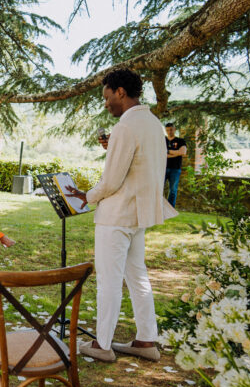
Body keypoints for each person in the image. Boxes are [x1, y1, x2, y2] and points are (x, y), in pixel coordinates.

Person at [66, 69, 178, 363]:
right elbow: (142, 165)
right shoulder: (153, 124)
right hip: (138, 215)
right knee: (137, 276)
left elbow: (112, 181)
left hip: (116, 216)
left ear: (120, 92)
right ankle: (145, 340)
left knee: (109, 281)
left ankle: (102, 345)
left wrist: (85, 196)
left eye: (106, 98)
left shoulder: (126, 127)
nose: (106, 104)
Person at [164, 123, 186, 208]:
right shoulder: (163, 140)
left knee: (173, 190)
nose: (169, 132)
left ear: (174, 129)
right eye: (168, 130)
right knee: (159, 188)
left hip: (175, 169)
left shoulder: (180, 141)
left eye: (171, 129)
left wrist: (168, 151)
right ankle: (159, 207)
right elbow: (161, 153)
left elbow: (183, 152)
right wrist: (176, 153)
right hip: (163, 168)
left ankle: (170, 208)